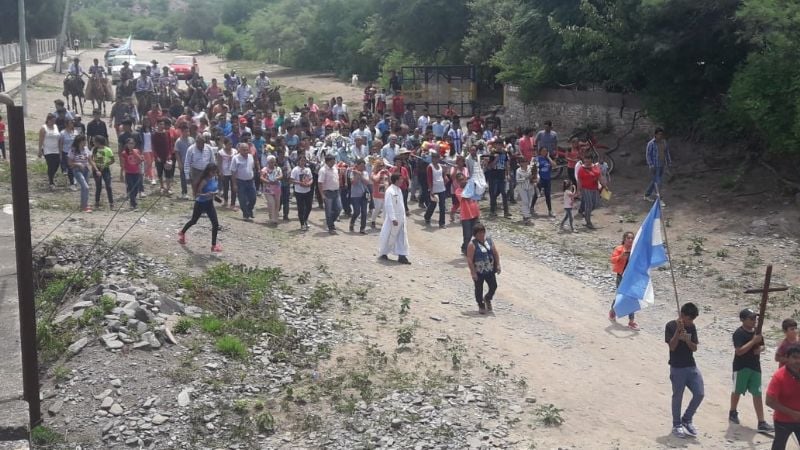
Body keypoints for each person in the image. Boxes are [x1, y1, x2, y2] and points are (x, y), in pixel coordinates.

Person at [729, 308, 774, 433]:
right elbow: (739, 351)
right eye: (751, 318)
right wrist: (753, 341)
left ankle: (761, 422)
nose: (754, 320)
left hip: (755, 366)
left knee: (757, 393)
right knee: (737, 390)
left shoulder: (757, 332)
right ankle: (733, 411)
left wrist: (760, 348)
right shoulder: (739, 333)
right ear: (743, 320)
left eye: (755, 318)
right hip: (741, 366)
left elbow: (762, 345)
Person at [665, 302, 704, 439]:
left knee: (699, 393)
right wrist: (678, 332)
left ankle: (687, 419)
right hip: (677, 368)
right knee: (678, 396)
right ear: (682, 316)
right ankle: (676, 424)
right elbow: (672, 347)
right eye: (689, 319)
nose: (691, 322)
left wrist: (687, 340)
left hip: (691, 366)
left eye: (692, 320)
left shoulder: (692, 327)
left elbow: (694, 348)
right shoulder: (670, 326)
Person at [178, 163, 222, 253]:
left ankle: (213, 245)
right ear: (208, 171)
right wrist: (207, 194)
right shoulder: (204, 181)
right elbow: (197, 194)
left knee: (215, 224)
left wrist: (216, 193)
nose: (214, 173)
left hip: (209, 203)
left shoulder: (214, 178)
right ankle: (182, 232)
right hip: (201, 203)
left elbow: (215, 189)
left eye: (215, 172)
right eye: (212, 172)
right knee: (194, 221)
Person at [765, 344, 800, 450]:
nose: (798, 361)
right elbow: (769, 401)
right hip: (783, 420)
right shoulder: (779, 377)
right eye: (794, 357)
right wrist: (792, 413)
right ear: (787, 358)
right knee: (779, 446)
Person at [466, 223, 501, 314]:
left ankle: (487, 298)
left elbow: (495, 253)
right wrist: (473, 272)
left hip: (489, 269)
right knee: (479, 289)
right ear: (475, 235)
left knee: (494, 286)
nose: (481, 235)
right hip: (479, 271)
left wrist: (498, 265)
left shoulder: (489, 241)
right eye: (479, 233)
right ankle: (481, 304)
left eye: (483, 233)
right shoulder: (472, 244)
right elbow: (469, 259)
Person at [378, 173, 410, 264]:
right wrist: (393, 218)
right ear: (396, 180)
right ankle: (383, 252)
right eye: (401, 179)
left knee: (402, 237)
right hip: (393, 219)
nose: (402, 181)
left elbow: (401, 204)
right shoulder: (390, 191)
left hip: (401, 218)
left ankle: (402, 255)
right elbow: (388, 205)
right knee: (388, 235)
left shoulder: (399, 190)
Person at [608, 232, 638, 330]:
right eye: (628, 238)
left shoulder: (635, 250)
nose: (630, 240)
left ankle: (631, 321)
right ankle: (613, 311)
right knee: (620, 297)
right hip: (621, 277)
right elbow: (612, 260)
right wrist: (621, 256)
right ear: (624, 239)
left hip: (631, 278)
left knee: (631, 298)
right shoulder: (619, 249)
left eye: (632, 238)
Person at [68, 135, 98, 213]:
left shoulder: (86, 149)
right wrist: (78, 164)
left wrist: (96, 169)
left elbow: (90, 160)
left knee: (85, 189)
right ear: (79, 142)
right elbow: (70, 163)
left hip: (86, 170)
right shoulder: (73, 150)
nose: (85, 142)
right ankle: (84, 206)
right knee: (86, 187)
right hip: (77, 170)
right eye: (84, 141)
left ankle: (84, 205)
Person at [576, 154, 605, 229]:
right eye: (586, 159)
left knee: (596, 204)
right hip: (586, 189)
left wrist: (604, 185)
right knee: (589, 205)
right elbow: (579, 181)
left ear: (591, 159)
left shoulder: (595, 167)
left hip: (595, 188)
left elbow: (599, 176)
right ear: (584, 160)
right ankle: (588, 222)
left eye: (589, 159)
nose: (587, 160)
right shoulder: (581, 169)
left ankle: (586, 213)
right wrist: (578, 190)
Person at [644, 127, 671, 206]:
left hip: (662, 164)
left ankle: (647, 195)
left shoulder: (664, 142)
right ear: (655, 134)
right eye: (659, 134)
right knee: (659, 182)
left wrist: (669, 162)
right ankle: (659, 200)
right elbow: (648, 155)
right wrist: (651, 165)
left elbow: (667, 152)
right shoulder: (651, 143)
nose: (660, 136)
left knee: (654, 181)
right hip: (654, 166)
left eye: (662, 134)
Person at [230, 143, 257, 221]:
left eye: (247, 150)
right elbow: (233, 172)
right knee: (242, 199)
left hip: (250, 181)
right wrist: (234, 184)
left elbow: (252, 168)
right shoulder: (235, 158)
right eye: (244, 150)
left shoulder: (251, 157)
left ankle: (249, 210)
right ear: (239, 150)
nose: (246, 151)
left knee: (253, 198)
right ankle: (246, 214)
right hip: (240, 181)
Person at [456, 173, 480, 255]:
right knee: (467, 235)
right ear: (457, 182)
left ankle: (465, 247)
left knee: (476, 233)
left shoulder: (471, 188)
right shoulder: (458, 191)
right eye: (460, 180)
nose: (462, 181)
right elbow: (465, 196)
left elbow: (477, 197)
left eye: (463, 179)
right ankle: (467, 251)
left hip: (475, 213)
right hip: (466, 216)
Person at [318, 154, 342, 233]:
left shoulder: (335, 168)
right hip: (328, 192)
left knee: (338, 208)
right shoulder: (323, 170)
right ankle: (331, 227)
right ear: (327, 162)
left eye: (334, 161)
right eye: (332, 161)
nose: (334, 162)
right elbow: (320, 183)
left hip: (336, 191)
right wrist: (322, 195)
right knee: (328, 211)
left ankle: (331, 221)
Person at [424, 152, 448, 228]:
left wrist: (445, 177)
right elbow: (429, 179)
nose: (437, 159)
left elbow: (443, 174)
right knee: (433, 205)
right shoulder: (430, 167)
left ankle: (442, 223)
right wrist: (431, 190)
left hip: (442, 188)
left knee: (442, 206)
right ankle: (427, 217)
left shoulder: (440, 166)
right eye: (435, 158)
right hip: (434, 189)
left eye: (438, 158)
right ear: (433, 158)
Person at [39, 113, 62, 190]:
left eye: (54, 120)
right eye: (52, 120)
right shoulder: (44, 128)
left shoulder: (55, 126)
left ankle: (51, 176)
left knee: (57, 164)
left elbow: (58, 138)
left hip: (56, 149)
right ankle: (51, 181)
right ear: (48, 120)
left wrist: (60, 150)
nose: (53, 122)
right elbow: (41, 140)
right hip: (47, 150)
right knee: (51, 165)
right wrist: (39, 150)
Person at [290, 155, 313, 231]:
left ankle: (305, 219)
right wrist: (300, 183)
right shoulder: (295, 170)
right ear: (298, 161)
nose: (303, 162)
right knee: (301, 208)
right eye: (301, 160)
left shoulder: (308, 169)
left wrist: (309, 183)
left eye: (304, 160)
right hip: (299, 191)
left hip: (307, 190)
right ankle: (302, 223)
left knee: (309, 207)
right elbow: (292, 180)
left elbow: (311, 178)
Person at [531, 147, 556, 217]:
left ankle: (550, 211)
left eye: (546, 151)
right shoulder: (537, 158)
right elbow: (534, 169)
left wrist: (548, 157)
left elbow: (554, 165)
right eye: (543, 151)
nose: (544, 152)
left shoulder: (548, 159)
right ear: (540, 152)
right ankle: (531, 207)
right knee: (537, 194)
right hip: (540, 179)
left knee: (548, 195)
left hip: (547, 179)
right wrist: (535, 178)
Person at [91, 136, 114, 210]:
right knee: (98, 186)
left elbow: (112, 160)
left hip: (105, 170)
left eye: (94, 141)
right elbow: (92, 160)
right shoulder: (94, 149)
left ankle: (111, 203)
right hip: (96, 170)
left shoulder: (108, 149)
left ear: (98, 142)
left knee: (108, 186)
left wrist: (106, 164)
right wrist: (96, 169)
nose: (93, 143)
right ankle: (97, 202)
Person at [121, 138, 144, 211]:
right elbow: (123, 164)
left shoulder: (136, 151)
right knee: (131, 187)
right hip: (128, 173)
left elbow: (140, 160)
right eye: (129, 143)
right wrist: (121, 173)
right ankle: (133, 203)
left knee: (136, 188)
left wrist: (135, 153)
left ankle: (133, 199)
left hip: (136, 172)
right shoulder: (124, 153)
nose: (131, 145)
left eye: (132, 143)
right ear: (127, 144)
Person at [348, 159, 370, 234]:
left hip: (364, 195)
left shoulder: (365, 173)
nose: (363, 167)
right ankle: (352, 222)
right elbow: (353, 182)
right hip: (355, 195)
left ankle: (362, 228)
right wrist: (356, 175)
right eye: (361, 166)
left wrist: (360, 175)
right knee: (357, 211)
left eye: (364, 166)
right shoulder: (352, 172)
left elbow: (367, 182)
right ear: (357, 165)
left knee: (364, 212)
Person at [260, 155, 282, 226]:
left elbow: (281, 175)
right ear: (268, 162)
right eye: (270, 162)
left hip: (277, 189)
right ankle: (272, 218)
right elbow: (261, 177)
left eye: (273, 162)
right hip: (268, 189)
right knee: (271, 203)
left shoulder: (278, 169)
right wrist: (268, 181)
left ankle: (275, 218)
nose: (272, 164)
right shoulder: (264, 169)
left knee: (277, 204)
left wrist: (277, 178)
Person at [216, 137, 237, 210]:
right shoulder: (221, 152)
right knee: (225, 187)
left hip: (233, 172)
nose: (230, 145)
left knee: (233, 188)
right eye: (228, 144)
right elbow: (219, 163)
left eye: (231, 144)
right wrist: (220, 171)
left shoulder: (235, 151)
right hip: (225, 172)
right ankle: (225, 200)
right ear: (225, 144)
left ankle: (233, 203)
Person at [59, 119, 79, 190]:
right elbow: (61, 144)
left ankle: (74, 179)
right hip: (66, 152)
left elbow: (77, 142)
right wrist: (61, 154)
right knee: (70, 167)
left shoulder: (75, 132)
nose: (72, 124)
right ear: (67, 124)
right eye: (71, 123)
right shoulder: (62, 133)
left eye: (72, 123)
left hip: (75, 152)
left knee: (75, 167)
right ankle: (72, 183)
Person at [515, 157, 537, 224]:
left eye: (525, 161)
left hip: (530, 187)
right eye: (523, 162)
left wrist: (536, 180)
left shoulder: (530, 168)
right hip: (522, 188)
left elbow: (536, 175)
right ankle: (527, 217)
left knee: (529, 202)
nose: (524, 163)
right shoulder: (518, 170)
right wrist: (526, 178)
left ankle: (525, 216)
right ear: (520, 163)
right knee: (525, 202)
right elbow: (517, 180)